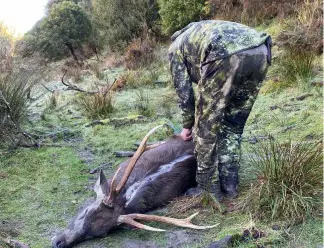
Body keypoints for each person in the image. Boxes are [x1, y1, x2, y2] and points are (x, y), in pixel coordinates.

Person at [168, 20, 272, 198]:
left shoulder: (175, 48)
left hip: (224, 54)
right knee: (232, 126)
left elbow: (184, 92)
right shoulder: (201, 29)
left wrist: (188, 125)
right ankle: (230, 186)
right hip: (261, 50)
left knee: (205, 130)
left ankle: (207, 188)